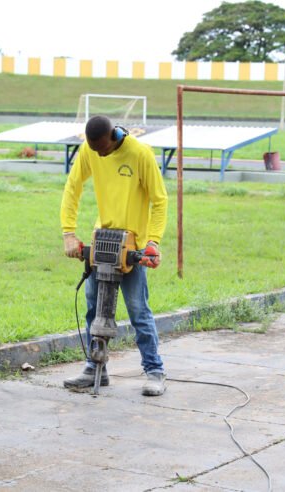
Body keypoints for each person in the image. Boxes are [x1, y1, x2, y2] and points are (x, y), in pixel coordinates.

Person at [60, 115, 168, 396]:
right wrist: (68, 233)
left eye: (103, 149)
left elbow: (159, 200)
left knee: (138, 311)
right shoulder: (89, 149)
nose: (99, 155)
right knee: (94, 309)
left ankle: (154, 370)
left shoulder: (140, 153)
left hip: (134, 246)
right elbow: (73, 188)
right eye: (94, 150)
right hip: (103, 240)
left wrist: (153, 243)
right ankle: (94, 368)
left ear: (112, 136)